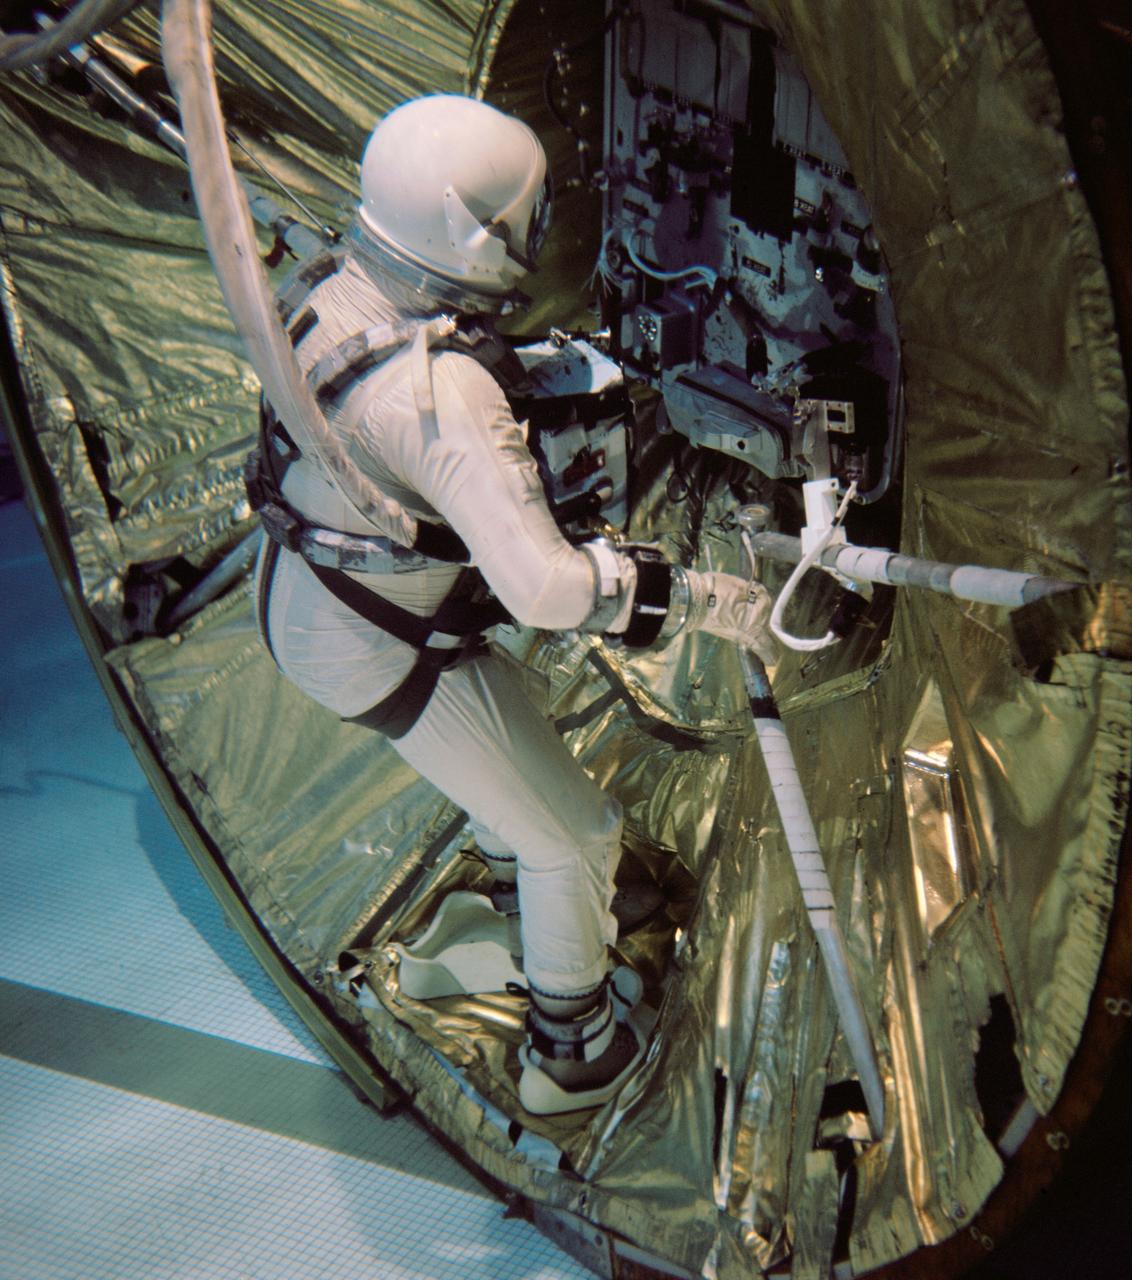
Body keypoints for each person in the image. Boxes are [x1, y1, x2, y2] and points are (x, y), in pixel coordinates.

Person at [250, 94, 778, 1117]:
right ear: (479, 232)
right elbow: (543, 589)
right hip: (371, 640)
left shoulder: (328, 282)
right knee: (576, 832)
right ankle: (569, 1052)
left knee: (518, 755)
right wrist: (703, 595)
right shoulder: (441, 396)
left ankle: (524, 876)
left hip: (330, 599)